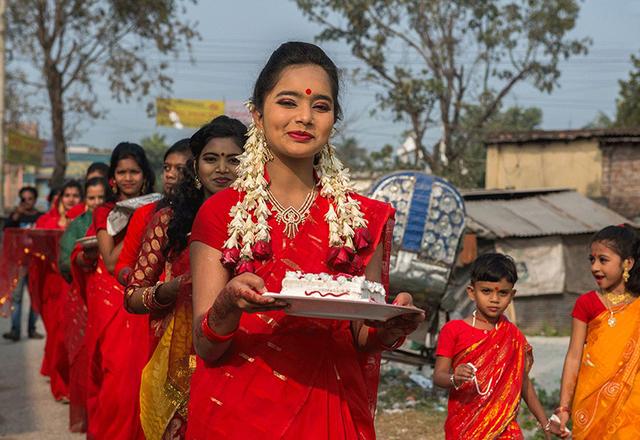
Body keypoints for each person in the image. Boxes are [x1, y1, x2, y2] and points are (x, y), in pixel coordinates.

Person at [186, 41, 424, 439]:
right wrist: (229, 303)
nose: (304, 117)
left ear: (334, 119)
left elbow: (362, 337)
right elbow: (205, 345)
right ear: (258, 115)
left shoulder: (363, 220)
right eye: (288, 102)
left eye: (320, 106)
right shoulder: (219, 213)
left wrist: (392, 323)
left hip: (329, 413)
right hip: (238, 415)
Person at [124, 116, 247, 439]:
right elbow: (132, 296)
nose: (221, 168)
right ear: (196, 167)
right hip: (177, 357)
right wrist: (172, 289)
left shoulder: (259, 220)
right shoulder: (168, 220)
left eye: (233, 159)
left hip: (244, 355)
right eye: (210, 159)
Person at [78, 142, 154, 440]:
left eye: (134, 171)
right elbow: (110, 261)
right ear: (112, 178)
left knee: (142, 375)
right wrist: (138, 223)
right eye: (121, 172)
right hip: (113, 298)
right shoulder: (106, 212)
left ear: (145, 175)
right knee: (117, 378)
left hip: (146, 295)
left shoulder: (158, 205)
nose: (128, 178)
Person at [433, 253, 552, 439]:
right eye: (486, 291)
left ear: (512, 295)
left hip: (505, 428)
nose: (495, 299)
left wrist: (544, 422)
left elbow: (522, 382)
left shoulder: (513, 335)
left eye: (502, 293)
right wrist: (454, 378)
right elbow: (439, 376)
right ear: (472, 292)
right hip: (465, 427)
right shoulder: (453, 330)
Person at [555, 225, 640, 439]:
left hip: (633, 403)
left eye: (603, 260)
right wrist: (564, 408)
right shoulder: (586, 303)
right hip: (591, 404)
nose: (594, 267)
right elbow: (574, 356)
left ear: (627, 263)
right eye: (591, 260)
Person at [58, 177, 107, 432]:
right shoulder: (77, 225)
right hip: (83, 296)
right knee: (83, 355)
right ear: (85, 200)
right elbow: (64, 261)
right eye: (92, 198)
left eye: (101, 197)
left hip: (109, 299)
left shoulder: (114, 219)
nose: (97, 202)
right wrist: (83, 261)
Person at [30, 180, 84, 402]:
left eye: (75, 195)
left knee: (72, 336)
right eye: (67, 195)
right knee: (58, 335)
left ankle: (70, 383)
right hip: (53, 286)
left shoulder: (83, 221)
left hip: (75, 284)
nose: (71, 199)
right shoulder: (46, 222)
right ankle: (60, 386)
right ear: (60, 198)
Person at [115, 138, 191, 286]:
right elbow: (122, 265)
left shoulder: (207, 212)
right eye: (166, 167)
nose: (169, 174)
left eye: (179, 169)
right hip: (152, 300)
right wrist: (137, 279)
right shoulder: (146, 213)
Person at [2, 186, 43, 341]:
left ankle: (32, 329)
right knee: (17, 298)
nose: (26, 202)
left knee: (35, 297)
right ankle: (15, 330)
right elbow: (6, 230)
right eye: (23, 199)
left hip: (36, 264)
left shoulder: (40, 217)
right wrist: (16, 215)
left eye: (29, 199)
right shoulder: (15, 217)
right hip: (19, 265)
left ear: (34, 199)